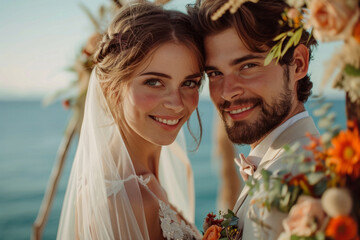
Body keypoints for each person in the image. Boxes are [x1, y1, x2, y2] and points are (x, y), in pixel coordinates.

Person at [57, 2, 205, 239]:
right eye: (154, 82)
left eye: (189, 83)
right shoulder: (120, 201)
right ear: (111, 89)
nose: (177, 103)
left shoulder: (143, 178)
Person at [189, 0, 320, 238]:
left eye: (248, 66)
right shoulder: (282, 164)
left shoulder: (295, 185)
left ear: (298, 64)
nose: (227, 91)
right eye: (215, 73)